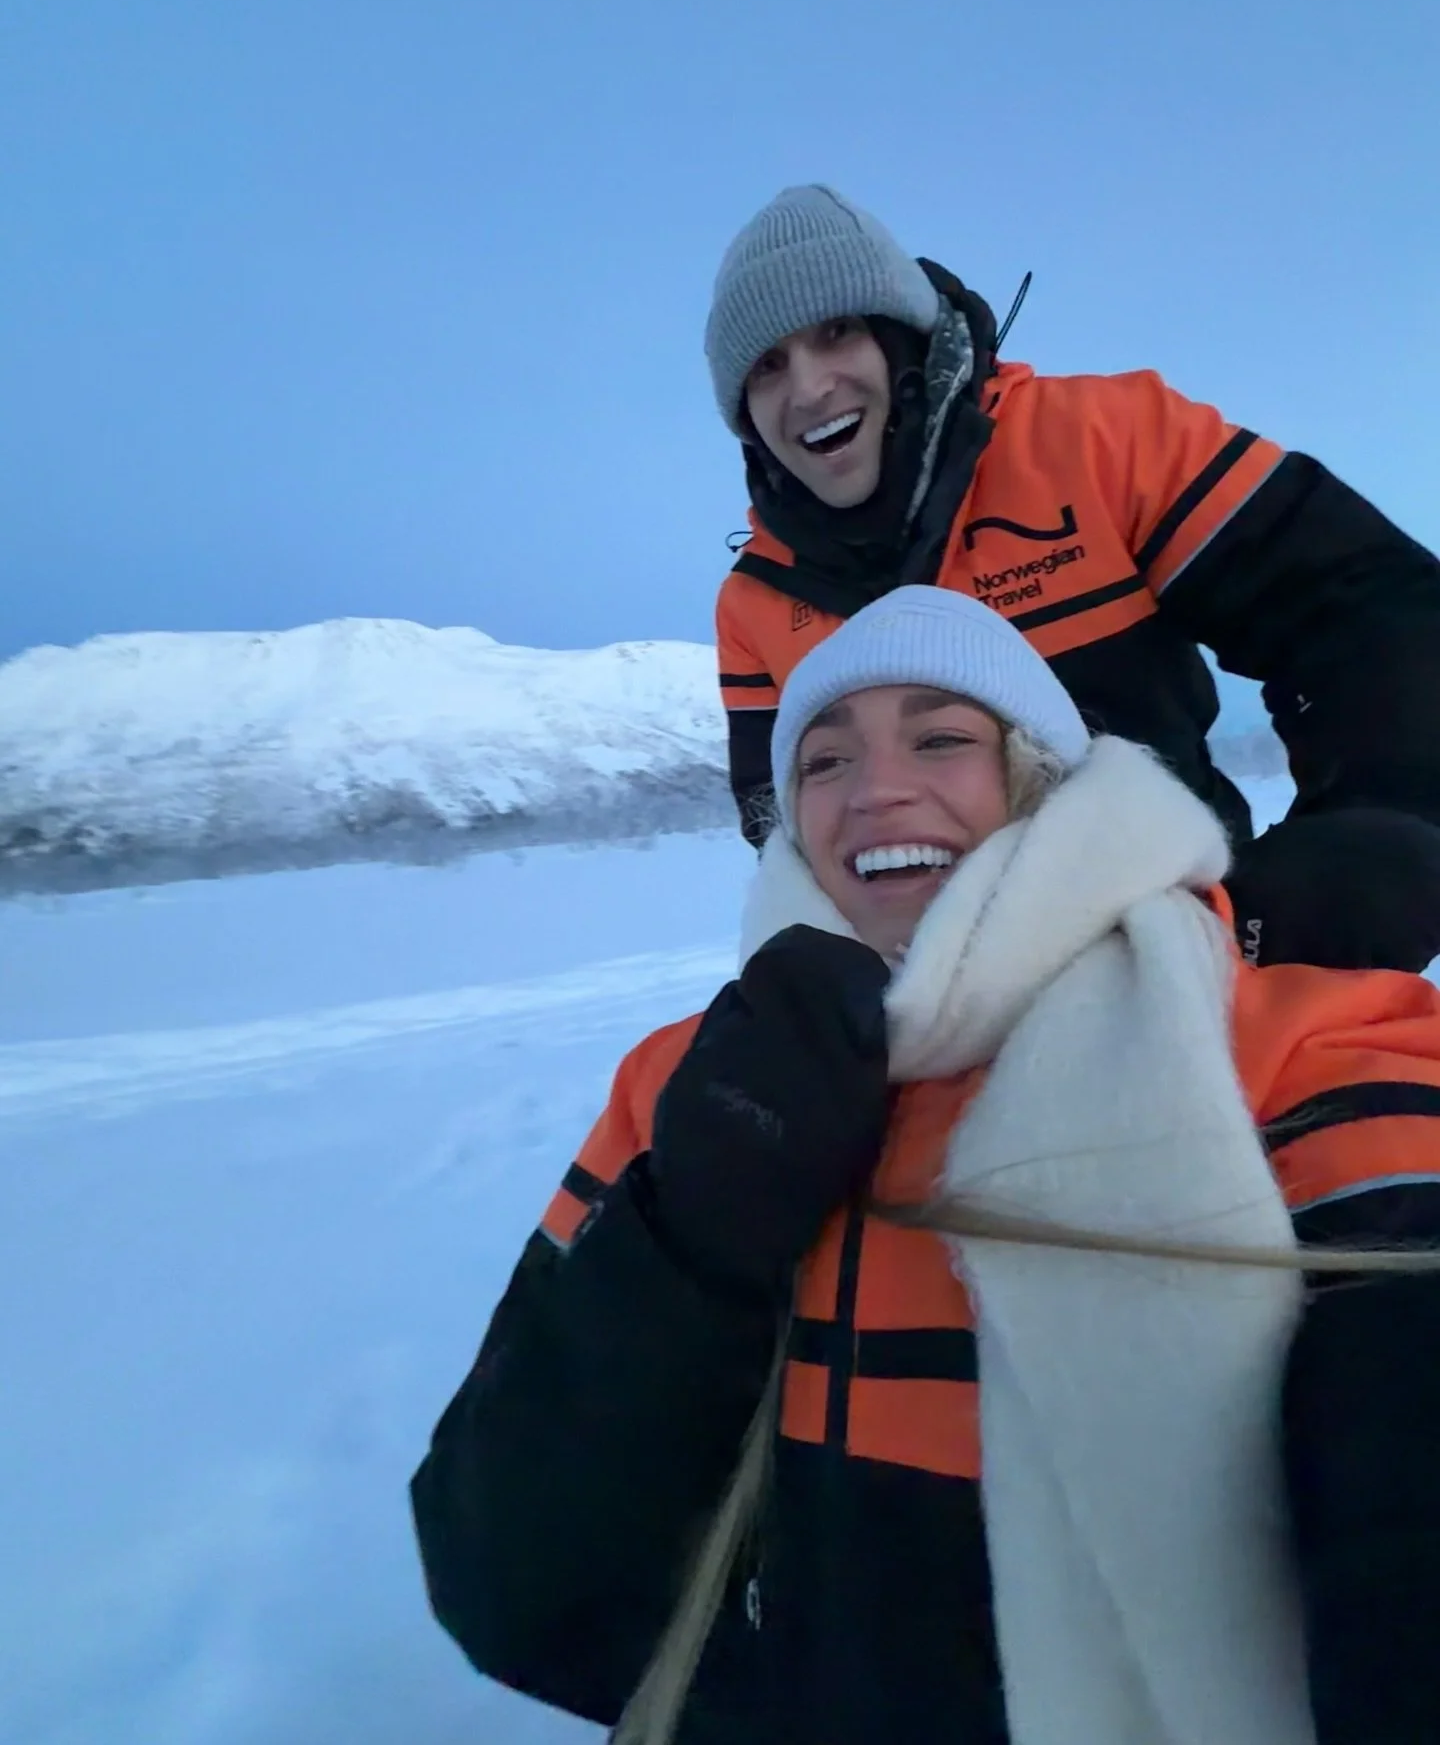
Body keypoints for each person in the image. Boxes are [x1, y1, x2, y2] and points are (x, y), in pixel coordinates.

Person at [411, 585, 1440, 1745]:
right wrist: (691, 1231)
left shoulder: (1299, 1043)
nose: (875, 790)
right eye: (823, 761)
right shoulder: (681, 1084)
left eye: (943, 737)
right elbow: (506, 1583)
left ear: (1042, 780)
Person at [706, 184, 1440, 973]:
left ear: (902, 338)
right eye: (768, 366)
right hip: (931, 1001)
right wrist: (812, 987)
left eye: (838, 331)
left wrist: (1376, 826)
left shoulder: (1100, 444)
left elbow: (1366, 608)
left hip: (1185, 953)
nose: (810, 387)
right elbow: (782, 823)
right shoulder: (757, 599)